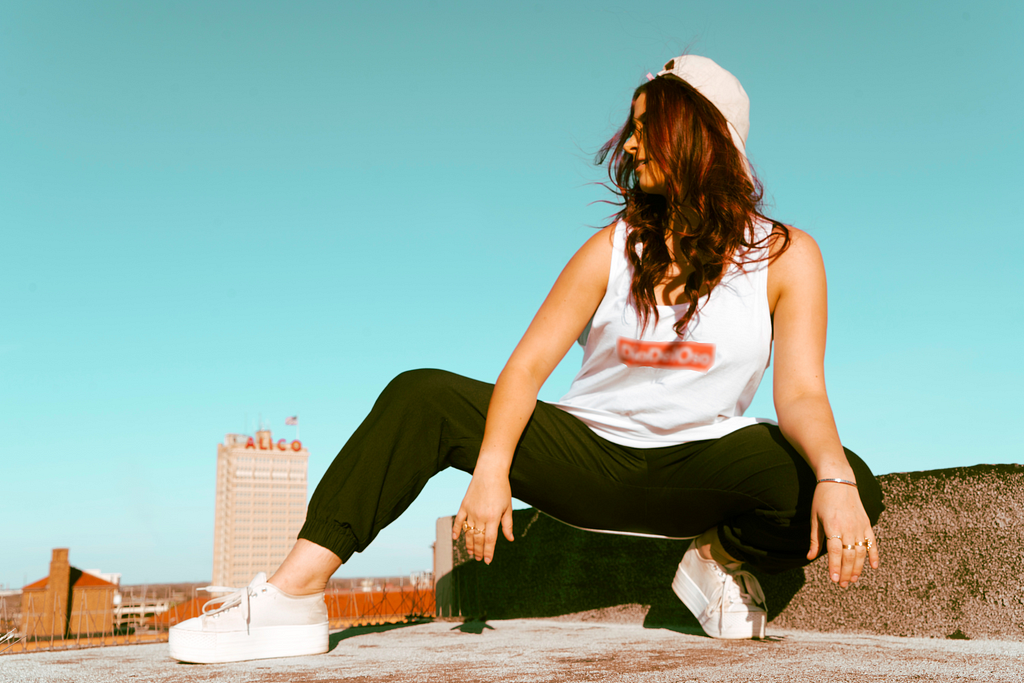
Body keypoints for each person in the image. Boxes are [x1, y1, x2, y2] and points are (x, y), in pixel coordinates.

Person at [169, 55, 884, 663]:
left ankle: (716, 564)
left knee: (851, 481)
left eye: (648, 126)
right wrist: (491, 469)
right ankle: (292, 595)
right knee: (422, 394)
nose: (632, 145)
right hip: (588, 456)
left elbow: (800, 395)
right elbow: (524, 369)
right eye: (630, 128)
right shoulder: (610, 249)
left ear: (703, 137)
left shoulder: (788, 255)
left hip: (703, 465)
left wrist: (832, 475)